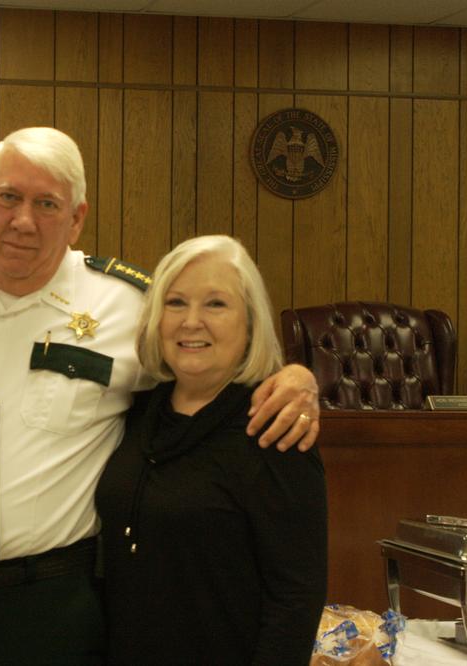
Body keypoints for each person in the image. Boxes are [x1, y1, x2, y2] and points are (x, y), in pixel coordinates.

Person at [0, 127, 321, 664]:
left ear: (77, 218)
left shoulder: (130, 308)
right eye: (8, 197)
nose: (23, 221)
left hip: (46, 605)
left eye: (47, 204)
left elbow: (208, 359)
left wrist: (297, 377)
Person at [95, 235, 327, 665]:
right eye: (176, 302)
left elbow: (296, 598)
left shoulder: (273, 429)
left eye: (216, 304)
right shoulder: (138, 410)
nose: (191, 321)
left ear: (251, 323)